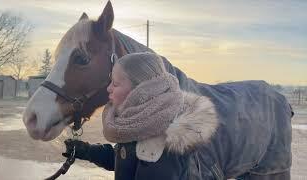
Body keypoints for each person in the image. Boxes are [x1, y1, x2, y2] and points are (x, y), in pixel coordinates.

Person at [63, 52, 292, 180]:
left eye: (116, 83)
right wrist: (86, 151)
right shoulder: (139, 124)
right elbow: (125, 157)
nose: (108, 90)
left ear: (140, 90)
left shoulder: (171, 140)